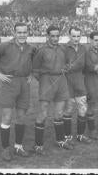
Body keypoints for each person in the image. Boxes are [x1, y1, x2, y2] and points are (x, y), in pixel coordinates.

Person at [0, 22, 35, 161]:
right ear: (14, 33)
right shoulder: (5, 46)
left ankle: (18, 147)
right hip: (9, 83)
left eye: (25, 32)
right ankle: (5, 149)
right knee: (6, 117)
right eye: (19, 32)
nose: (22, 34)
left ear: (28, 33)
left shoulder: (31, 48)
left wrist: (31, 74)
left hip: (24, 84)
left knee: (21, 117)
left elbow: (35, 61)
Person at [32, 25, 73, 155]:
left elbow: (66, 63)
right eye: (53, 36)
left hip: (61, 81)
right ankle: (38, 145)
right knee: (43, 113)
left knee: (59, 113)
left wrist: (66, 67)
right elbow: (35, 70)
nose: (55, 38)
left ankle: (60, 140)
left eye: (57, 36)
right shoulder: (42, 50)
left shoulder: (63, 49)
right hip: (46, 82)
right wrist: (44, 80)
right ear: (47, 36)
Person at [63, 26, 91, 145]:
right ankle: (67, 135)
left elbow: (86, 66)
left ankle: (80, 135)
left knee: (83, 109)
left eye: (78, 36)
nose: (76, 38)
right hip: (67, 82)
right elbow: (60, 66)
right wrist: (65, 68)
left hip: (80, 81)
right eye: (73, 36)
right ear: (69, 36)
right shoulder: (63, 48)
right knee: (68, 109)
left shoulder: (83, 48)